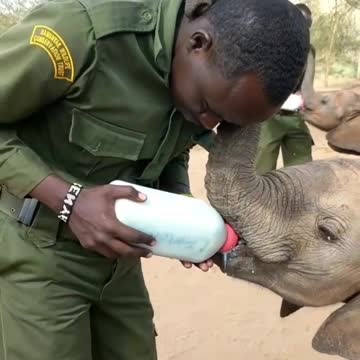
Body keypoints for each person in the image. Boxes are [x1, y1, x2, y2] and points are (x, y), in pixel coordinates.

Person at [0, 0, 309, 359]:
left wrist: (180, 212)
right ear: (198, 43)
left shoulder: (196, 84)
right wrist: (69, 200)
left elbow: (172, 147)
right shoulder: (83, 34)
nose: (208, 125)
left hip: (119, 262)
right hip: (39, 250)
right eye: (208, 108)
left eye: (222, 121)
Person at [255, 3, 315, 175]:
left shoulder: (309, 50)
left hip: (295, 117)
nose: (304, 31)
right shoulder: (269, 46)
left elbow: (307, 87)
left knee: (303, 173)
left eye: (308, 26)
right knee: (262, 174)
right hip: (269, 118)